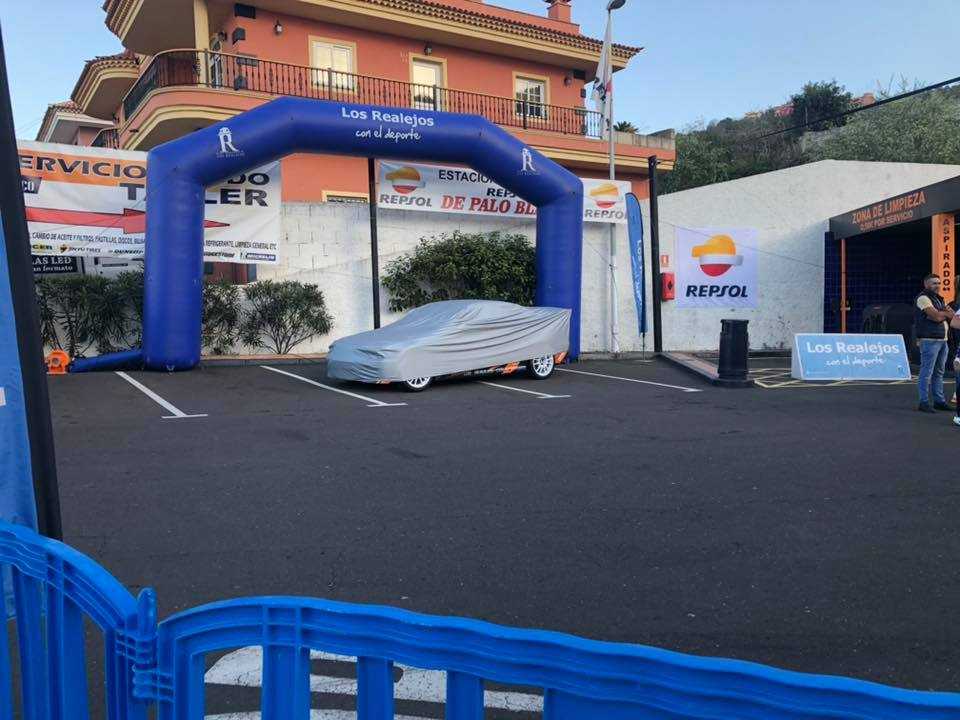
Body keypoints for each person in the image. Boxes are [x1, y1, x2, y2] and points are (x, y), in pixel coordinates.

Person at [915, 273, 955, 412]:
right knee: (927, 372)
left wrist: (941, 314)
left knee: (939, 372)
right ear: (926, 284)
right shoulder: (923, 298)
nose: (937, 285)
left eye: (939, 283)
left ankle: (939, 401)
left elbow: (951, 315)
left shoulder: (939, 299)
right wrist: (942, 314)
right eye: (934, 283)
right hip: (930, 340)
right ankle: (923, 402)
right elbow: (937, 317)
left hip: (943, 340)